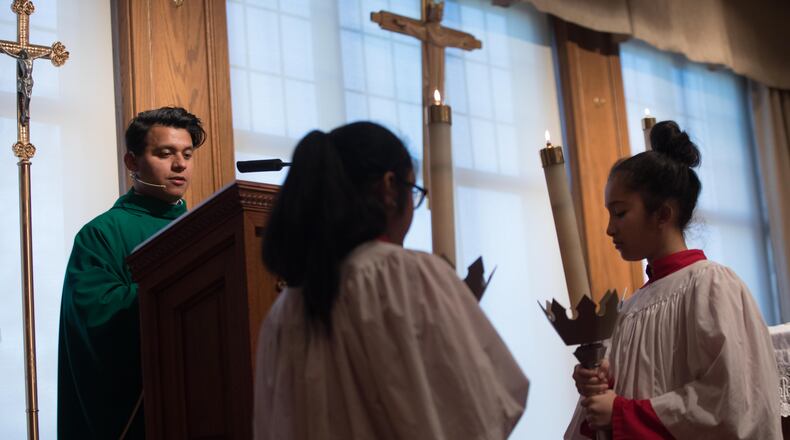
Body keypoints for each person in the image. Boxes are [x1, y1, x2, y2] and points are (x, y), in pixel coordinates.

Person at [254, 121, 529, 439]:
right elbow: (481, 412)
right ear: (388, 187)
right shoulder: (405, 276)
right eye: (414, 192)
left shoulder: (282, 313)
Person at [564, 121, 780, 439]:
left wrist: (621, 413)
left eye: (620, 213)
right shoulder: (630, 309)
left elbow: (729, 404)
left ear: (663, 215)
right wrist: (603, 380)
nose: (610, 229)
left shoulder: (711, 286)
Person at [58, 106, 206, 439]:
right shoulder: (101, 233)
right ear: (132, 162)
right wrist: (177, 292)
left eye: (187, 154)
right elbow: (96, 313)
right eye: (165, 153)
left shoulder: (208, 229)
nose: (180, 164)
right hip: (139, 411)